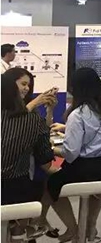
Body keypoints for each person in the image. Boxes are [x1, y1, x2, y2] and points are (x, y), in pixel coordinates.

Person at [45, 68, 101, 242]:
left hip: (81, 169)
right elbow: (96, 132)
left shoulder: (77, 114)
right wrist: (67, 129)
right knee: (96, 190)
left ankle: (72, 228)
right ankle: (90, 226)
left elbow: (71, 153)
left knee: (49, 183)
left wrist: (51, 149)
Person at [1, 74, 55, 241]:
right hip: (17, 188)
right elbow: (45, 160)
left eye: (28, 85)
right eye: (23, 84)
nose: (26, 88)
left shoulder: (29, 116)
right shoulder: (31, 119)